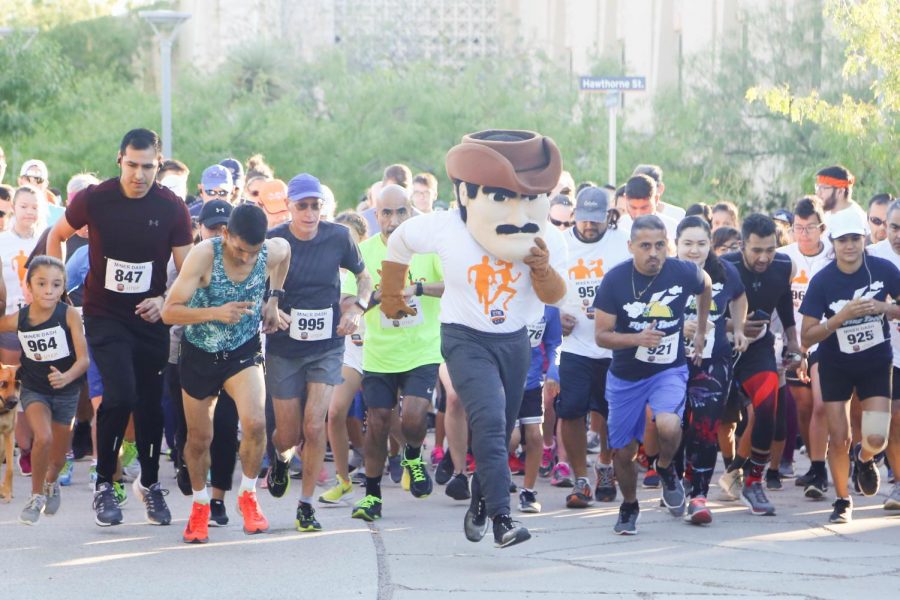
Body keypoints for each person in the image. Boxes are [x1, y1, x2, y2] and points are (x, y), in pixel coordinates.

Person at [381, 129, 567, 548]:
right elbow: (400, 239)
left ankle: (481, 500)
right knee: (488, 416)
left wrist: (541, 268)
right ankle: (503, 519)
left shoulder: (542, 233)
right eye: (500, 194)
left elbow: (556, 296)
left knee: (501, 433)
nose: (514, 206)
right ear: (465, 192)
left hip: (515, 340)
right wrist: (392, 294)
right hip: (464, 338)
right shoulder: (446, 226)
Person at [46, 128, 193, 527]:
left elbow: (189, 269)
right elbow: (56, 237)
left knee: (148, 404)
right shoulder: (95, 199)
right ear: (119, 160)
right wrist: (58, 296)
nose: (139, 174)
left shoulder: (172, 208)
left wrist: (165, 300)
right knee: (120, 393)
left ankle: (148, 483)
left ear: (158, 166)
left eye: (148, 167)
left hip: (150, 319)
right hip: (104, 314)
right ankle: (104, 485)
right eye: (132, 165)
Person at [162, 203, 290, 543]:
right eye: (239, 249)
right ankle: (201, 504)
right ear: (225, 235)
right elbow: (169, 312)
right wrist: (214, 312)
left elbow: (286, 252)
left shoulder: (270, 250)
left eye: (253, 251)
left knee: (256, 423)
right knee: (199, 439)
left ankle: (248, 494)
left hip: (242, 352)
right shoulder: (204, 256)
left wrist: (273, 301)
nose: (246, 258)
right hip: (200, 354)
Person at [265, 173, 372, 533]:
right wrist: (270, 308)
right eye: (302, 206)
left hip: (326, 345)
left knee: (314, 425)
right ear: (289, 207)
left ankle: (306, 504)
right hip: (285, 346)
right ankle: (281, 458)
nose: (310, 213)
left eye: (316, 206)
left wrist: (357, 309)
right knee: (287, 432)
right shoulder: (274, 240)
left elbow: (365, 277)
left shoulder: (338, 236)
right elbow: (254, 283)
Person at [593, 215, 712, 534]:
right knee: (623, 452)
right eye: (645, 246)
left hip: (668, 370)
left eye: (660, 245)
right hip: (626, 376)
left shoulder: (683, 271)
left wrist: (700, 331)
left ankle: (665, 468)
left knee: (670, 424)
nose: (654, 252)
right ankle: (630, 504)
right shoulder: (615, 280)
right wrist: (636, 339)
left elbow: (707, 285)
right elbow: (601, 336)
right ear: (631, 246)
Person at [347, 184, 444, 522]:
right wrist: (380, 297)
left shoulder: (428, 250)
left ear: (410, 213)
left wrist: (416, 288)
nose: (392, 219)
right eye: (385, 213)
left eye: (399, 211)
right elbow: (349, 299)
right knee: (377, 423)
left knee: (415, 418)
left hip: (422, 350)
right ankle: (372, 497)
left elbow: (453, 286)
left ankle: (414, 456)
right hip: (379, 354)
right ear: (376, 216)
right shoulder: (364, 253)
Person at [799, 209, 900, 523]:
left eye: (855, 238)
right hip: (835, 363)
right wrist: (838, 319)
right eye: (843, 240)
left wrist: (885, 307)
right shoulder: (823, 279)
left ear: (865, 238)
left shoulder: (883, 269)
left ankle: (865, 457)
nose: (850, 246)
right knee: (839, 435)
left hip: (875, 359)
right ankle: (842, 500)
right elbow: (807, 335)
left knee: (875, 436)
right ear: (833, 242)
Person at [718, 214, 803, 516]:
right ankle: (690, 478)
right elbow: (704, 312)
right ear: (742, 245)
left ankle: (755, 481)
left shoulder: (784, 265)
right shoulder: (723, 266)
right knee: (713, 418)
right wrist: (734, 326)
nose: (764, 257)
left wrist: (793, 340)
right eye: (757, 250)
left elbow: (783, 303)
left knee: (767, 407)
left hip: (760, 349)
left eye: (770, 249)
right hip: (721, 348)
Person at [557, 186, 630, 508]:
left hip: (613, 346)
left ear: (608, 216)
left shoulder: (621, 244)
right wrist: (554, 316)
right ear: (574, 215)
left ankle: (604, 465)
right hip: (575, 345)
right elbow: (540, 287)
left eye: (596, 220)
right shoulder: (561, 245)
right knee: (571, 409)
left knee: (611, 413)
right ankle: (581, 478)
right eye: (584, 219)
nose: (589, 226)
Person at [1, 257, 89, 524]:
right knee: (43, 437)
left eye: (56, 284)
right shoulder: (21, 318)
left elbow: (84, 360)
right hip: (34, 389)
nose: (49, 290)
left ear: (63, 287)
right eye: (41, 283)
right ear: (28, 287)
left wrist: (67, 376)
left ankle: (51, 484)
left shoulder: (69, 315)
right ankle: (36, 496)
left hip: (66, 390)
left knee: (59, 457)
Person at [676, 216, 748, 524]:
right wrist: (679, 326)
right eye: (687, 244)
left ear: (710, 245)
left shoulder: (724, 271)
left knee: (706, 427)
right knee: (674, 427)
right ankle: (674, 479)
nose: (694, 251)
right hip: (671, 362)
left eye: (701, 244)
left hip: (714, 360)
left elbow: (740, 295)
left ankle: (699, 495)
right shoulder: (665, 273)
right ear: (675, 244)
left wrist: (740, 328)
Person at [779, 197, 832, 497]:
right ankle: (815, 465)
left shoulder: (833, 257)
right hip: (793, 342)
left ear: (821, 228)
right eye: (798, 228)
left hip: (825, 341)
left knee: (823, 404)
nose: (803, 234)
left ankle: (823, 463)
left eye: (809, 228)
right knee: (804, 406)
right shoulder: (784, 257)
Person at [866, 199, 900, 510]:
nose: (898, 234)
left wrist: (890, 308)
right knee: (892, 419)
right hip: (886, 355)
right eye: (894, 227)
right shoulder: (872, 258)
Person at [815, 165, 868, 230]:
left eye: (823, 188)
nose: (818, 193)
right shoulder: (829, 213)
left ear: (840, 191)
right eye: (818, 187)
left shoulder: (852, 219)